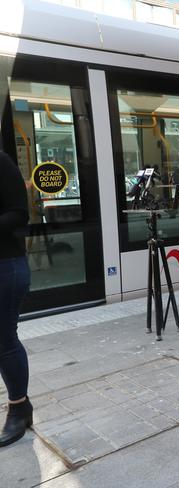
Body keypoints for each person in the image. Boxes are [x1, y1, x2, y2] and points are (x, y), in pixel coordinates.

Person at [0, 151, 32, 447]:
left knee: (4, 340)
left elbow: (20, 213)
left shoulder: (1, 161)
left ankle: (18, 407)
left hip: (5, 265)